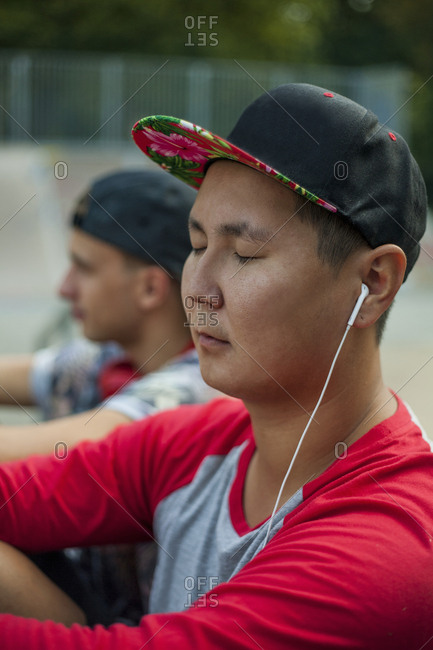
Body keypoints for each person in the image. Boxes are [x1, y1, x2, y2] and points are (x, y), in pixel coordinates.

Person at [0, 83, 432, 649]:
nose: (198, 290)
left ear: (373, 283)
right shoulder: (193, 444)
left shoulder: (390, 540)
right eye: (197, 245)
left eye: (246, 254)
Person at [0, 168, 215, 461]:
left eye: (84, 268)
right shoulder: (108, 359)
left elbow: (63, 448)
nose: (64, 288)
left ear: (150, 288)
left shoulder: (196, 393)